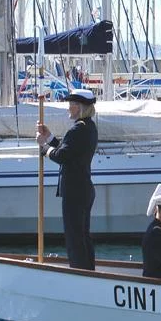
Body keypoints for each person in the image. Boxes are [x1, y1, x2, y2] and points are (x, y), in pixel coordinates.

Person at [36, 88, 98, 270]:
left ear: (79, 107)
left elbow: (62, 155)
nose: (69, 109)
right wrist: (49, 138)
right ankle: (87, 269)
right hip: (83, 189)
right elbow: (69, 150)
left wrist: (44, 148)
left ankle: (80, 271)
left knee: (75, 237)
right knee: (82, 235)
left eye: (71, 105)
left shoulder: (79, 129)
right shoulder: (88, 128)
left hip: (75, 191)